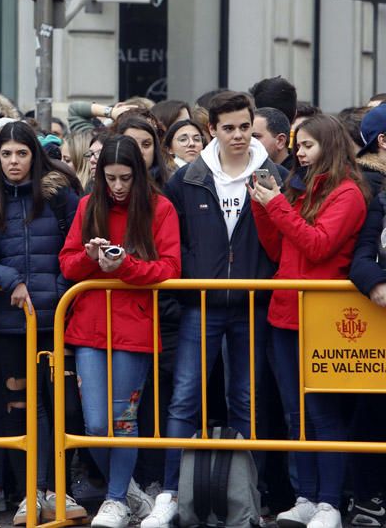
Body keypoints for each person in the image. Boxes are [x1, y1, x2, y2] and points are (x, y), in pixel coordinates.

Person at [143, 92, 286, 528]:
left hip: (250, 304)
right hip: (199, 303)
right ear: (213, 130)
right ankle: (169, 493)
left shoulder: (274, 175)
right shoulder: (187, 178)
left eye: (245, 126)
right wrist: (186, 283)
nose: (239, 135)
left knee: (247, 401)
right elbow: (171, 238)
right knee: (185, 400)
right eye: (229, 128)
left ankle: (248, 495)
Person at [0, 121, 85, 525]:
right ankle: (29, 494)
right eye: (6, 154)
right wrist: (9, 279)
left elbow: (76, 252)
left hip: (60, 319)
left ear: (35, 155)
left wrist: (62, 291)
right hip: (12, 323)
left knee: (62, 407)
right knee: (22, 409)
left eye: (21, 153)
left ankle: (58, 492)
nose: (14, 162)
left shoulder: (60, 196)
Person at [249, 114, 368, 528]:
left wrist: (276, 204)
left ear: (330, 147)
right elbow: (279, 247)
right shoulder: (300, 189)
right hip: (285, 310)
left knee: (323, 414)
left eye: (308, 146)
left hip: (321, 313)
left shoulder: (349, 193)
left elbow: (317, 246)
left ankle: (330, 503)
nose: (299, 152)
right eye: (299, 145)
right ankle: (307, 496)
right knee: (295, 414)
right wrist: (264, 207)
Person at [59, 135, 180, 528]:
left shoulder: (160, 209)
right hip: (89, 325)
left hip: (135, 326)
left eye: (125, 177)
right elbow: (67, 264)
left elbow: (169, 269)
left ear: (139, 174)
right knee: (95, 424)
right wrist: (92, 258)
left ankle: (115, 498)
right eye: (109, 177)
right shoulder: (86, 206)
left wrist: (124, 266)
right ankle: (124, 493)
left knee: (122, 420)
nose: (117, 186)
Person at [348, 104, 386, 528]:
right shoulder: (377, 194)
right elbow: (359, 258)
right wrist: (376, 283)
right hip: (375, 329)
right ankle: (367, 500)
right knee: (371, 413)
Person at [115, 117, 168, 188]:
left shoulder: (172, 185)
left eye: (146, 145)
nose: (140, 151)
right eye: (132, 145)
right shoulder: (106, 187)